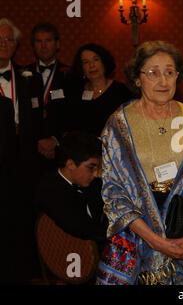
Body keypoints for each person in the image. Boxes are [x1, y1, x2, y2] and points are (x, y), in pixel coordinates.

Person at [96, 41, 183, 285]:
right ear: (137, 79)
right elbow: (114, 194)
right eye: (153, 73)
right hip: (138, 240)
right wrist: (157, 242)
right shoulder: (118, 125)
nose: (163, 80)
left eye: (170, 72)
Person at [0, 18, 41, 283]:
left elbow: (36, 118)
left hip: (23, 161)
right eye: (0, 40)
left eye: (9, 40)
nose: (5, 45)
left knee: (20, 218)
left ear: (16, 46)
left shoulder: (29, 78)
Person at [34, 131, 107, 251]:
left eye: (98, 168)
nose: (96, 174)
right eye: (91, 167)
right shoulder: (50, 191)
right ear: (71, 164)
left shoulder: (93, 183)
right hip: (69, 255)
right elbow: (83, 229)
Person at [67, 43, 133, 137]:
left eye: (96, 59)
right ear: (81, 68)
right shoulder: (76, 92)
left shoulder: (121, 91)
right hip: (82, 149)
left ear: (104, 62)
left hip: (112, 148)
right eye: (86, 62)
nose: (91, 65)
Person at [27, 22, 71, 162]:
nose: (43, 46)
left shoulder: (71, 75)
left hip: (62, 149)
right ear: (33, 46)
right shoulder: (22, 75)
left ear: (57, 44)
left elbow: (74, 113)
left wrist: (55, 140)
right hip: (30, 149)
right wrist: (38, 141)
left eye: (48, 41)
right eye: (39, 41)